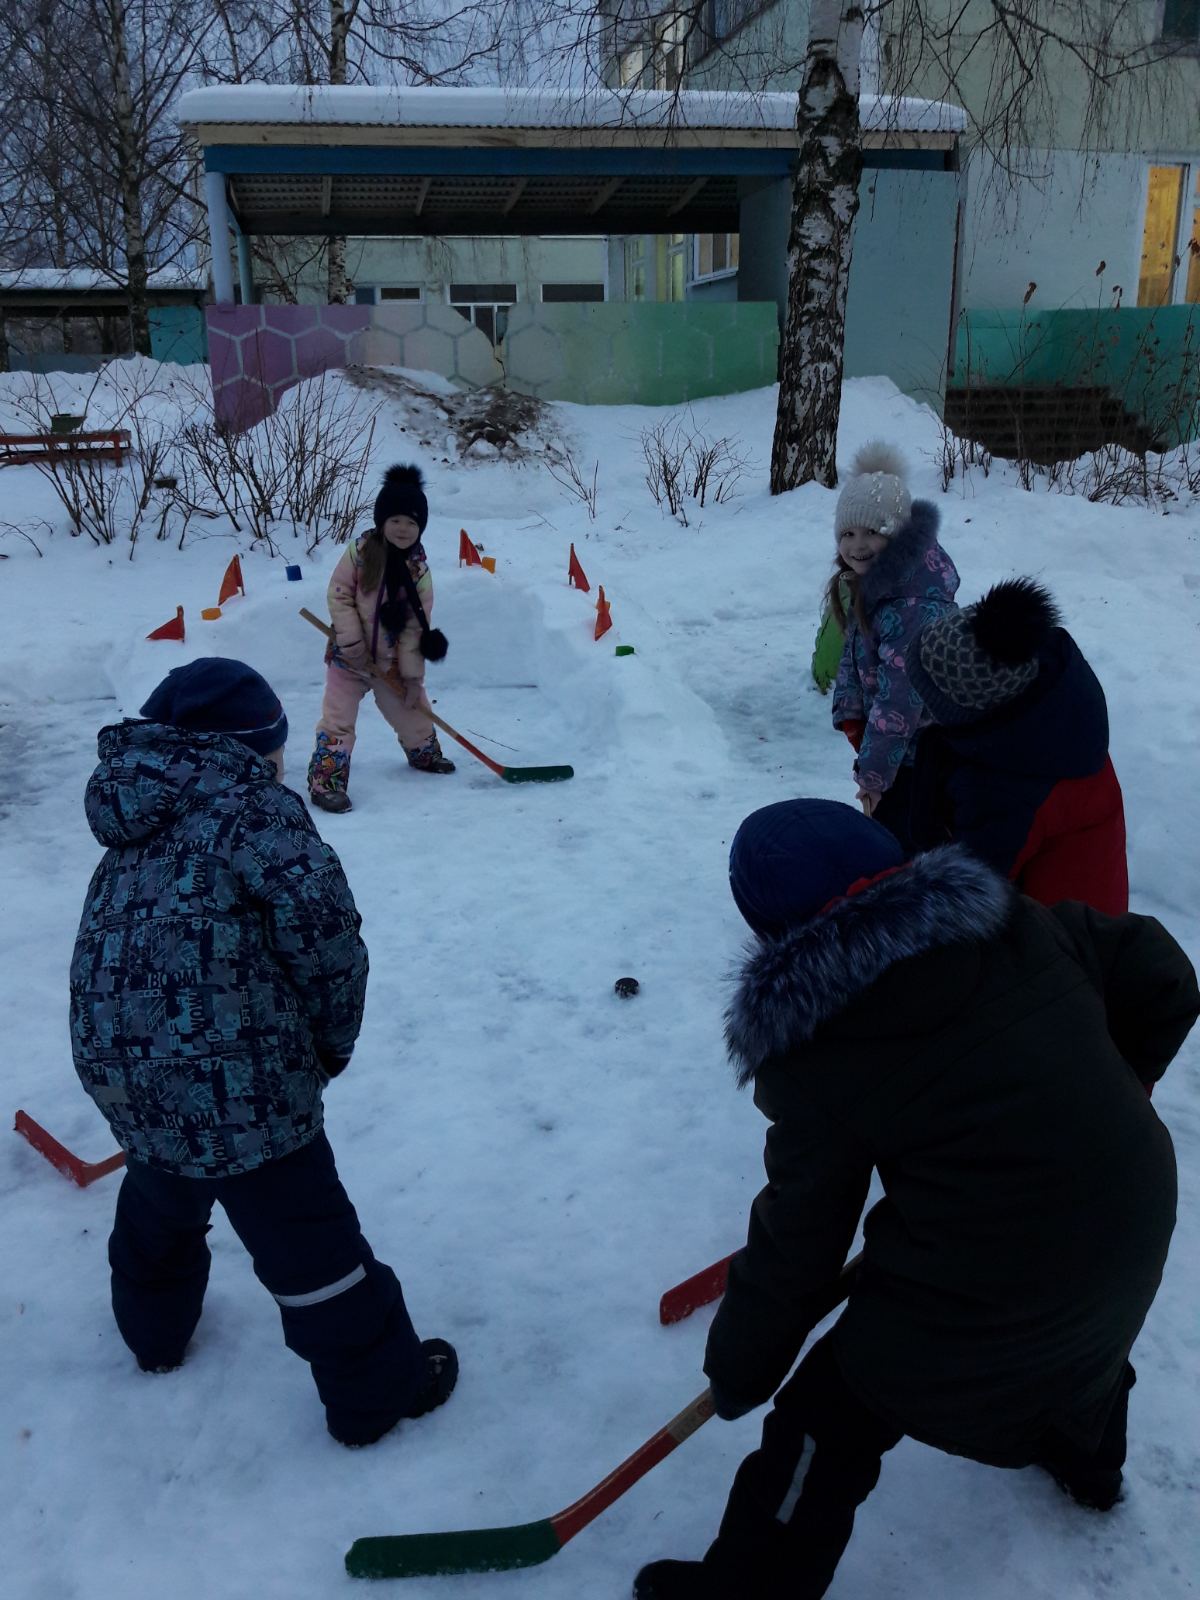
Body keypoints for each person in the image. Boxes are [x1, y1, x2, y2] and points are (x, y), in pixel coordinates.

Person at [634, 798, 1196, 1600]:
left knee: (827, 1418)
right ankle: (1089, 1465)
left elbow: (800, 1246)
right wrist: (1112, 1099)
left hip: (1009, 1260)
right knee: (1086, 1331)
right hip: (1135, 1203)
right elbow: (1162, 972)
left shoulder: (817, 1053)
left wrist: (740, 1371)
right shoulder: (1015, 922)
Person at [69, 657, 457, 1447]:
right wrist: (325, 1049)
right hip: (241, 1090)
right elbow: (326, 946)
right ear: (252, 751)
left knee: (158, 1210)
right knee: (313, 1251)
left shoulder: (128, 824)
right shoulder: (258, 814)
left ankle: (153, 1337)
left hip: (127, 1077)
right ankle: (376, 1393)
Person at [905, 576, 1128, 914]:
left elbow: (964, 897)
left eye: (928, 698)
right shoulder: (1049, 717)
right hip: (1094, 911)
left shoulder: (1007, 789)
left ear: (963, 711)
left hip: (1060, 942)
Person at [828, 443, 959, 849]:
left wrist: (873, 776)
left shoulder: (912, 606)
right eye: (848, 533)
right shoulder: (880, 587)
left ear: (899, 535)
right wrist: (850, 711)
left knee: (904, 846)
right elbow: (856, 654)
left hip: (921, 758)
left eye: (873, 531)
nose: (857, 544)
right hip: (900, 754)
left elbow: (900, 701)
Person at [307, 462, 453, 814]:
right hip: (348, 659)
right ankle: (326, 781)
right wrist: (352, 641)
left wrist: (413, 678)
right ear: (381, 520)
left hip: (389, 663)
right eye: (396, 520)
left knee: (412, 710)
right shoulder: (360, 554)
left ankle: (423, 753)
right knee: (338, 720)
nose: (403, 528)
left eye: (412, 522)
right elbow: (339, 595)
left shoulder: (419, 571)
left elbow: (416, 629)